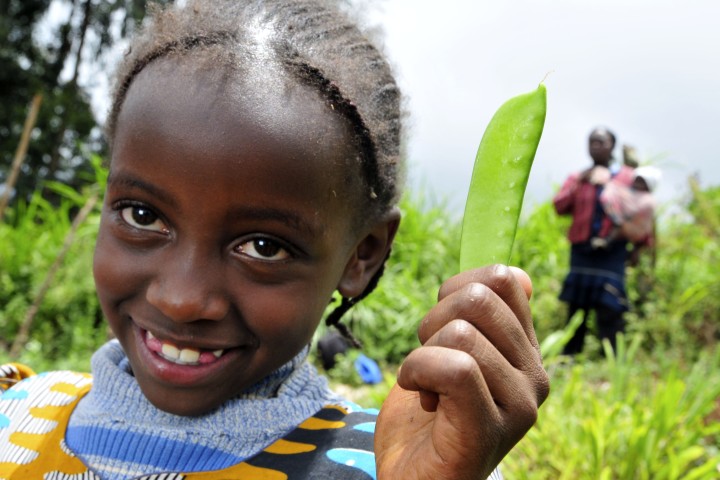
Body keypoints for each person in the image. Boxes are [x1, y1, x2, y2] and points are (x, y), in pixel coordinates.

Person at [0, 1, 549, 479]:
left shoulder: (398, 462)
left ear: (363, 255)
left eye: (264, 247)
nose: (181, 299)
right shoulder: (16, 411)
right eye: (143, 215)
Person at [553, 127, 635, 355]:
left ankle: (612, 361)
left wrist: (640, 247)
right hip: (583, 250)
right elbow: (560, 206)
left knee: (610, 306)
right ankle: (570, 358)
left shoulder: (626, 177)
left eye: (601, 142)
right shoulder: (579, 178)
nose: (596, 146)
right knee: (577, 307)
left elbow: (640, 211)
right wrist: (580, 181)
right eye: (592, 142)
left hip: (613, 250)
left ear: (612, 145)